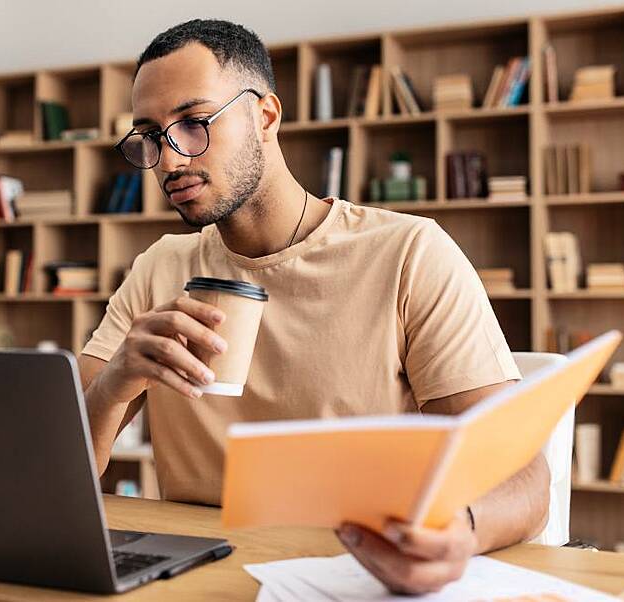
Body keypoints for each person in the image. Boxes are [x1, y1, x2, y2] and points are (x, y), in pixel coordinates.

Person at [77, 19, 547, 594]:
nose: (169, 160)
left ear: (266, 116)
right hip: (199, 577)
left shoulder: (408, 253)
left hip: (355, 574)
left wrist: (461, 533)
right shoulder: (159, 267)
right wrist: (114, 383)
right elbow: (60, 474)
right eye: (150, 136)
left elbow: (524, 476)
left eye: (194, 124)